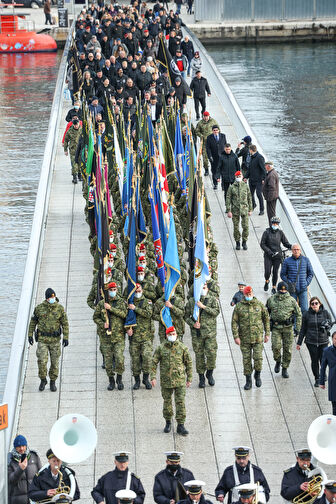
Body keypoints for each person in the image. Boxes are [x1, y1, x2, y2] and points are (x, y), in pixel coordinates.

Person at [151, 326, 192, 436]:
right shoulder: (161, 348)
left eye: (173, 334)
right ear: (166, 335)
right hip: (166, 380)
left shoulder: (182, 348)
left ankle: (181, 425)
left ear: (177, 335)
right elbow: (154, 362)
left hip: (180, 380)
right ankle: (168, 422)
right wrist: (153, 377)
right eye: (170, 334)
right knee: (167, 402)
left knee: (180, 402)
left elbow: (189, 363)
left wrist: (190, 378)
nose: (172, 336)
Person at [28, 288, 69, 392]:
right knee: (41, 361)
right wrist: (30, 335)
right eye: (51, 297)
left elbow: (65, 323)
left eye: (53, 297)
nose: (52, 299)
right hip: (43, 340)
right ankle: (43, 379)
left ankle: (52, 381)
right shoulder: (39, 309)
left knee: (55, 362)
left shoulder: (59, 308)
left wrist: (66, 337)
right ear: (47, 298)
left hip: (55, 340)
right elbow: (33, 322)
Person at [231, 286, 270, 389]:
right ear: (244, 295)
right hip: (244, 339)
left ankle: (257, 375)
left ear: (252, 293)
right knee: (246, 360)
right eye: (247, 294)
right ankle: (248, 380)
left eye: (250, 294)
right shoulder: (239, 307)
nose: (249, 296)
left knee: (258, 358)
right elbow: (234, 322)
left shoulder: (259, 305)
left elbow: (266, 319)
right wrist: (236, 336)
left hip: (258, 338)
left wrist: (267, 334)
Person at [93, 281, 127, 391]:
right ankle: (111, 380)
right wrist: (102, 324)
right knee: (108, 362)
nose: (113, 292)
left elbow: (124, 314)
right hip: (106, 338)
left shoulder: (121, 302)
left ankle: (119, 378)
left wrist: (111, 309)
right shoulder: (101, 303)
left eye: (114, 290)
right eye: (111, 290)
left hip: (118, 336)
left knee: (119, 358)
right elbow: (95, 317)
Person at [185, 282, 220, 388]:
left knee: (211, 354)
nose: (203, 289)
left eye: (204, 287)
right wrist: (193, 324)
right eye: (201, 287)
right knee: (199, 356)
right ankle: (201, 377)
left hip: (210, 332)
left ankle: (209, 373)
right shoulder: (192, 301)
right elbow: (186, 316)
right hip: (197, 334)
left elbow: (216, 312)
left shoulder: (212, 299)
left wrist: (204, 307)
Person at [266, 281, 302, 378]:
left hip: (288, 328)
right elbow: (266, 313)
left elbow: (299, 314)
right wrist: (267, 326)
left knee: (288, 349)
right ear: (278, 289)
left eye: (284, 289)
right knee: (275, 347)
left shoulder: (292, 300)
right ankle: (278, 360)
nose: (283, 291)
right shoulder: (271, 300)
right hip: (276, 328)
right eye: (281, 289)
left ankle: (285, 368)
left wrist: (297, 328)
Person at [297, 296, 332, 387]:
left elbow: (330, 324)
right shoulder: (306, 315)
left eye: (316, 303)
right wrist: (299, 342)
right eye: (312, 304)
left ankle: (323, 373)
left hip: (323, 341)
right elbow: (303, 329)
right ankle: (317, 378)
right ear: (310, 305)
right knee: (314, 360)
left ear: (319, 304)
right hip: (311, 341)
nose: (314, 305)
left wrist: (326, 326)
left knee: (323, 359)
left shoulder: (325, 313)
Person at [260, 216, 292, 294]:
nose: (275, 225)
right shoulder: (266, 232)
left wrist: (291, 246)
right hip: (268, 255)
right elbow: (262, 244)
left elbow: (285, 243)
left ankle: (274, 287)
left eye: (276, 223)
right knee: (267, 271)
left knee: (275, 271)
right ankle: (267, 281)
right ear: (271, 224)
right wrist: (269, 251)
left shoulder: (280, 233)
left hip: (277, 255)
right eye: (273, 223)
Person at [280, 244, 314, 313]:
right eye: (294, 249)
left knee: (304, 309)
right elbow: (282, 274)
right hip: (292, 289)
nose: (296, 251)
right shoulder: (287, 261)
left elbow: (311, 273)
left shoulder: (306, 260)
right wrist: (288, 282)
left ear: (300, 251)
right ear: (292, 251)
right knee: (293, 309)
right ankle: (294, 323)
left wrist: (306, 283)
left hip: (303, 288)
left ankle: (303, 323)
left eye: (297, 249)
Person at [8, 435, 41, 504]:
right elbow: (11, 480)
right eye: (19, 446)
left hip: (34, 499)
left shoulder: (34, 456)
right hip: (18, 501)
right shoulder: (10, 460)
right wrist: (20, 469)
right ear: (15, 447)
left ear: (26, 445)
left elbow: (41, 475)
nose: (22, 448)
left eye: (23, 446)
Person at [226, 171, 253, 251]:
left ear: (242, 176)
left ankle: (244, 242)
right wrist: (228, 210)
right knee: (236, 227)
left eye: (240, 176)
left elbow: (249, 198)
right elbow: (228, 198)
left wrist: (250, 209)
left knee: (246, 227)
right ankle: (237, 242)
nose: (238, 177)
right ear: (235, 177)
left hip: (244, 209)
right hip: (235, 210)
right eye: (237, 176)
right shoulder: (231, 187)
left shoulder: (245, 186)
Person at [244, 145, 266, 216]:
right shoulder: (252, 157)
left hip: (258, 180)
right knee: (250, 194)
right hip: (252, 179)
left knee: (259, 194)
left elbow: (263, 169)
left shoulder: (260, 158)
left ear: (251, 150)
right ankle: (253, 205)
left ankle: (262, 209)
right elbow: (249, 169)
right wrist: (245, 177)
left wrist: (263, 178)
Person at [195, 111, 217, 176]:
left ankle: (215, 169)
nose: (206, 118)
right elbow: (197, 131)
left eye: (207, 116)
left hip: (212, 142)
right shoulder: (200, 123)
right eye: (205, 116)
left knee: (214, 157)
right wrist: (201, 136)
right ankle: (206, 169)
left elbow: (218, 129)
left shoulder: (213, 121)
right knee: (205, 157)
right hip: (205, 143)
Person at [320, 331, 336, 415]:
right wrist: (321, 382)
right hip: (333, 381)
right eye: (335, 338)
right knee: (334, 406)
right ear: (332, 339)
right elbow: (323, 367)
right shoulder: (327, 351)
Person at [206, 125, 226, 190]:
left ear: (219, 130)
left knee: (223, 171)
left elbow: (225, 145)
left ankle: (223, 185)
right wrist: (210, 156)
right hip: (214, 157)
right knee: (214, 171)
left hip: (222, 157)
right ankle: (215, 184)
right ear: (212, 131)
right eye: (214, 130)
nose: (215, 131)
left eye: (216, 130)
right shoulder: (209, 138)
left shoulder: (223, 136)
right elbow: (208, 148)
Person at [63, 118, 82, 184]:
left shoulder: (82, 130)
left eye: (77, 125)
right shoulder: (70, 131)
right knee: (74, 164)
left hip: (80, 150)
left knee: (80, 163)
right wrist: (65, 150)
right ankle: (74, 177)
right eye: (75, 125)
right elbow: (66, 140)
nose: (76, 126)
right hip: (73, 150)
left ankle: (80, 175)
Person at [262, 161, 279, 226]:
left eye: (265, 166)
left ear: (268, 166)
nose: (265, 167)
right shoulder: (272, 173)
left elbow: (272, 187)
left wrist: (269, 198)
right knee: (271, 213)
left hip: (271, 198)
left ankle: (272, 227)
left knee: (271, 214)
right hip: (272, 197)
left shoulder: (271, 175)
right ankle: (272, 226)